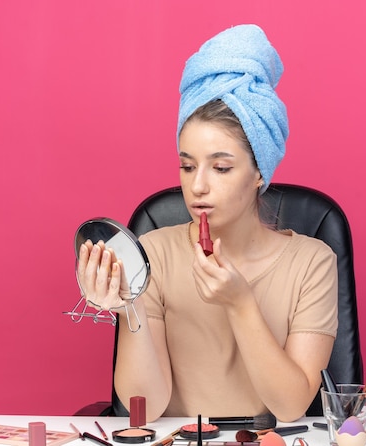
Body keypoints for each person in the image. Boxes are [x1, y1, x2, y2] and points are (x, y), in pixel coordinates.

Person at [76, 24, 338, 422]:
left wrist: (241, 303)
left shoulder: (312, 262)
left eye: (220, 167)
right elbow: (142, 410)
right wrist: (130, 308)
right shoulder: (155, 255)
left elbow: (290, 405)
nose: (197, 186)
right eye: (186, 165)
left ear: (258, 174)